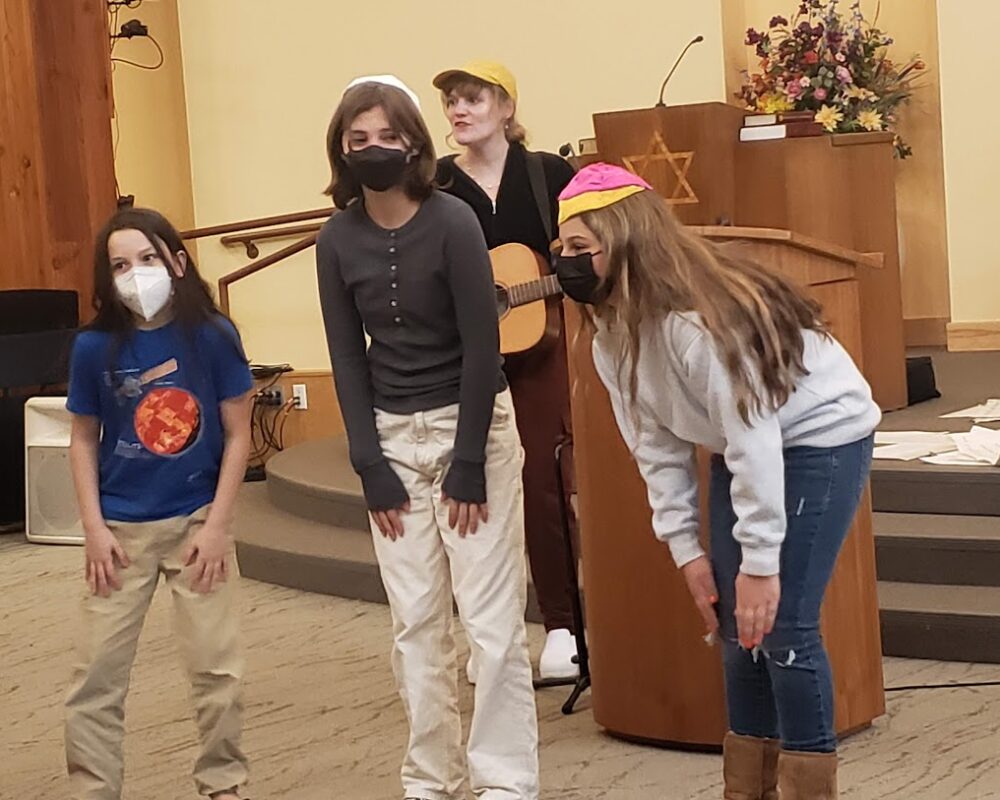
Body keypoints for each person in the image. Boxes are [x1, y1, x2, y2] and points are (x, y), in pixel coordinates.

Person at [552, 163, 880, 800]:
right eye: (560, 249)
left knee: (783, 626)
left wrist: (759, 561)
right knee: (737, 628)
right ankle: (747, 788)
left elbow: (754, 434)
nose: (564, 264)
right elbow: (655, 447)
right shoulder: (609, 335)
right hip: (742, 446)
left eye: (579, 249)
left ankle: (809, 787)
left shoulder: (694, 321)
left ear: (626, 242)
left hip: (819, 435)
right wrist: (688, 552)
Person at [316, 75, 538, 800]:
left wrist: (470, 461)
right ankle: (431, 780)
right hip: (391, 436)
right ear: (342, 152)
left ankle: (504, 782)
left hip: (470, 430)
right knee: (415, 624)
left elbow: (484, 347)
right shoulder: (335, 237)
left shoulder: (451, 222)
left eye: (387, 136)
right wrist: (368, 461)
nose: (374, 149)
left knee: (491, 625)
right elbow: (347, 355)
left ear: (413, 143)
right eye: (358, 141)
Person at [65, 208, 254, 800]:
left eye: (147, 259)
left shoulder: (213, 337)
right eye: (120, 264)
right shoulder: (93, 347)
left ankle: (222, 784)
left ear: (177, 261)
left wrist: (219, 525)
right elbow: (81, 440)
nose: (135, 274)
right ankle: (94, 789)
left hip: (199, 521)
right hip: (119, 531)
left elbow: (240, 433)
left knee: (216, 670)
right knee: (93, 678)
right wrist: (93, 529)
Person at [433, 61, 580, 680]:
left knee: (545, 482)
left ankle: (566, 625)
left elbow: (596, 243)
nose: (459, 111)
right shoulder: (436, 187)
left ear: (506, 107)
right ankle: (490, 631)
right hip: (467, 361)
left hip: (547, 349)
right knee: (474, 493)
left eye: (473, 98)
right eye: (451, 102)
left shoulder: (548, 174)